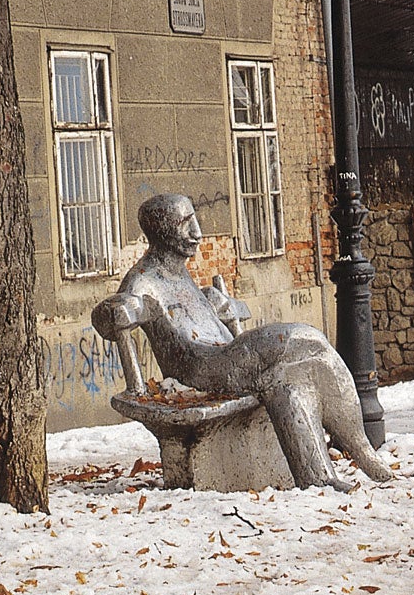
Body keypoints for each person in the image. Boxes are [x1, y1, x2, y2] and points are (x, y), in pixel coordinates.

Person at [96, 192, 395, 491]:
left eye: (195, 221)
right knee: (307, 339)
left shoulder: (180, 273)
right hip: (203, 369)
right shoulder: (144, 279)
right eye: (185, 223)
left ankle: (319, 478)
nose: (197, 233)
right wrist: (115, 312)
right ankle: (361, 449)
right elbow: (110, 319)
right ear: (161, 230)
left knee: (287, 381)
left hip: (224, 358)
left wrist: (214, 302)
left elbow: (199, 315)